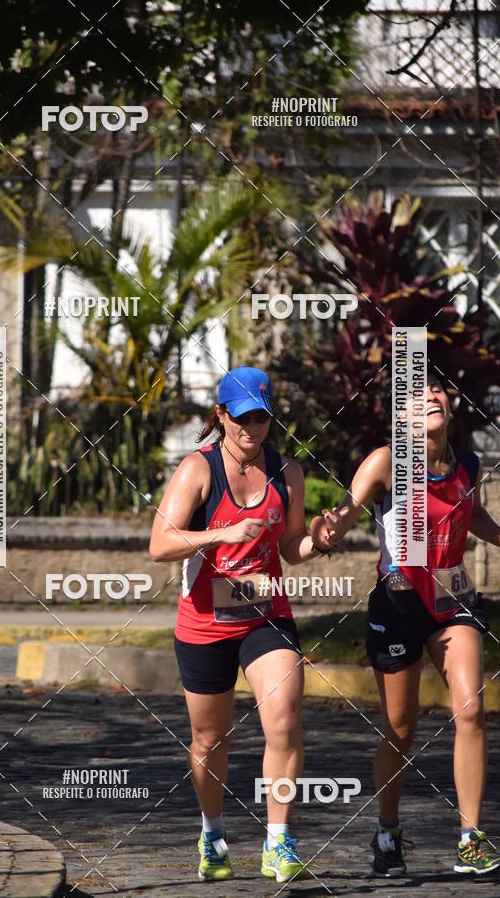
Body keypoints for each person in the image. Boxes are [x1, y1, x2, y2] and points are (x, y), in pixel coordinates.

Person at [311, 371, 500, 878]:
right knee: (400, 727)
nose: (432, 397)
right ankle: (387, 831)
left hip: (452, 596)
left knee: (471, 709)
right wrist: (326, 529)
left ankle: (470, 836)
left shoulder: (468, 464)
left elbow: (472, 513)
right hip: (397, 602)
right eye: (419, 395)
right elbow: (347, 514)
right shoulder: (387, 463)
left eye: (437, 391)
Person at [149, 366, 323, 883]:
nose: (252, 429)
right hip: (204, 624)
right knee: (210, 740)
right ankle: (212, 831)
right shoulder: (197, 471)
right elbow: (160, 544)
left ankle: (279, 840)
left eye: (261, 418)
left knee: (286, 720)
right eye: (242, 418)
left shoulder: (287, 472)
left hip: (266, 615)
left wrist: (321, 542)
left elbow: (291, 550)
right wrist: (218, 536)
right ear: (221, 415)